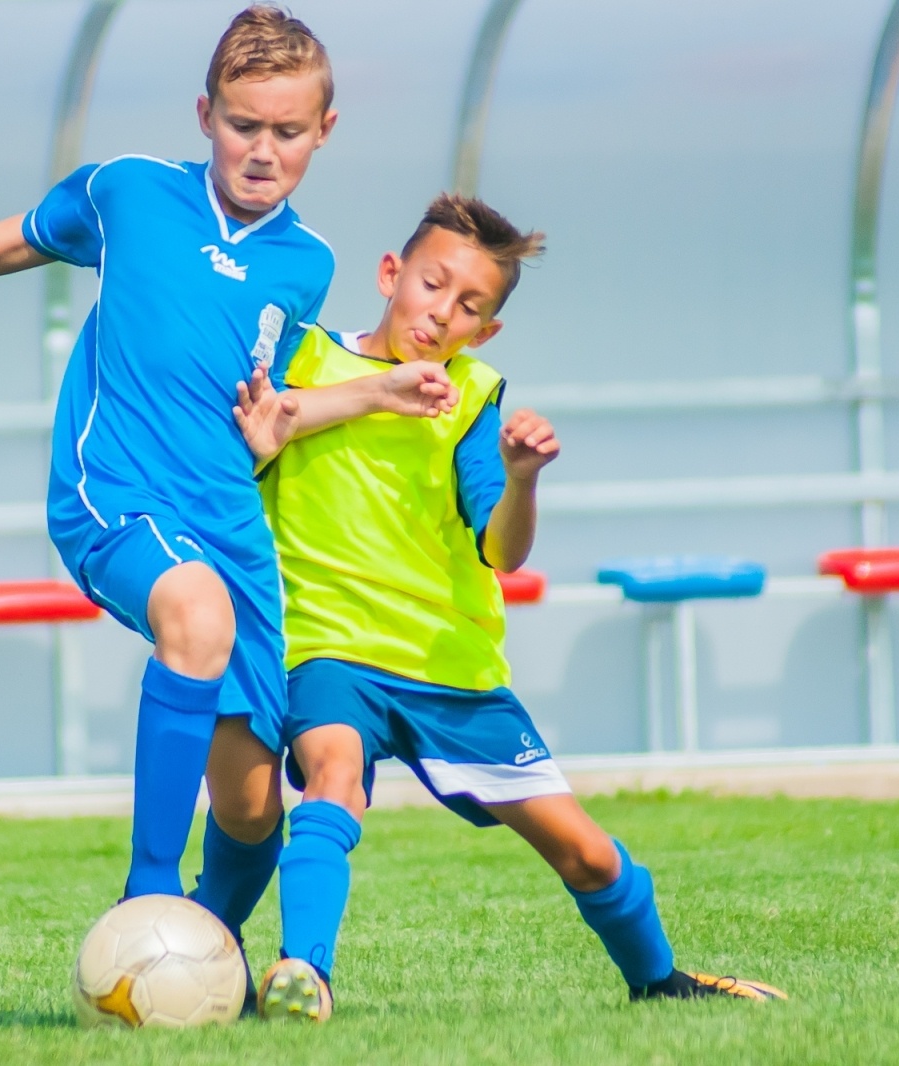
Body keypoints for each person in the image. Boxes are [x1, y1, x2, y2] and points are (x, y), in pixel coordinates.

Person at [0, 6, 456, 925]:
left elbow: (270, 409)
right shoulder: (129, 190)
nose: (262, 149)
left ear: (324, 133)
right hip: (113, 495)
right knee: (193, 613)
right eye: (244, 125)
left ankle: (199, 950)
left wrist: (375, 394)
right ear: (205, 114)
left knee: (250, 813)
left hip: (229, 528)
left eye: (288, 132)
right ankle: (148, 895)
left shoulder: (308, 263)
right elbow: (25, 235)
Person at [228, 194, 788, 1021]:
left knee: (589, 855)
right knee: (333, 780)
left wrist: (522, 477)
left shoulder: (471, 402)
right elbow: (235, 462)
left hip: (449, 667)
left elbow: (503, 551)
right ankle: (302, 976)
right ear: (391, 275)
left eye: (469, 306)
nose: (441, 313)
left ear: (484, 332)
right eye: (431, 284)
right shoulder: (302, 362)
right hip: (327, 649)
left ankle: (659, 979)